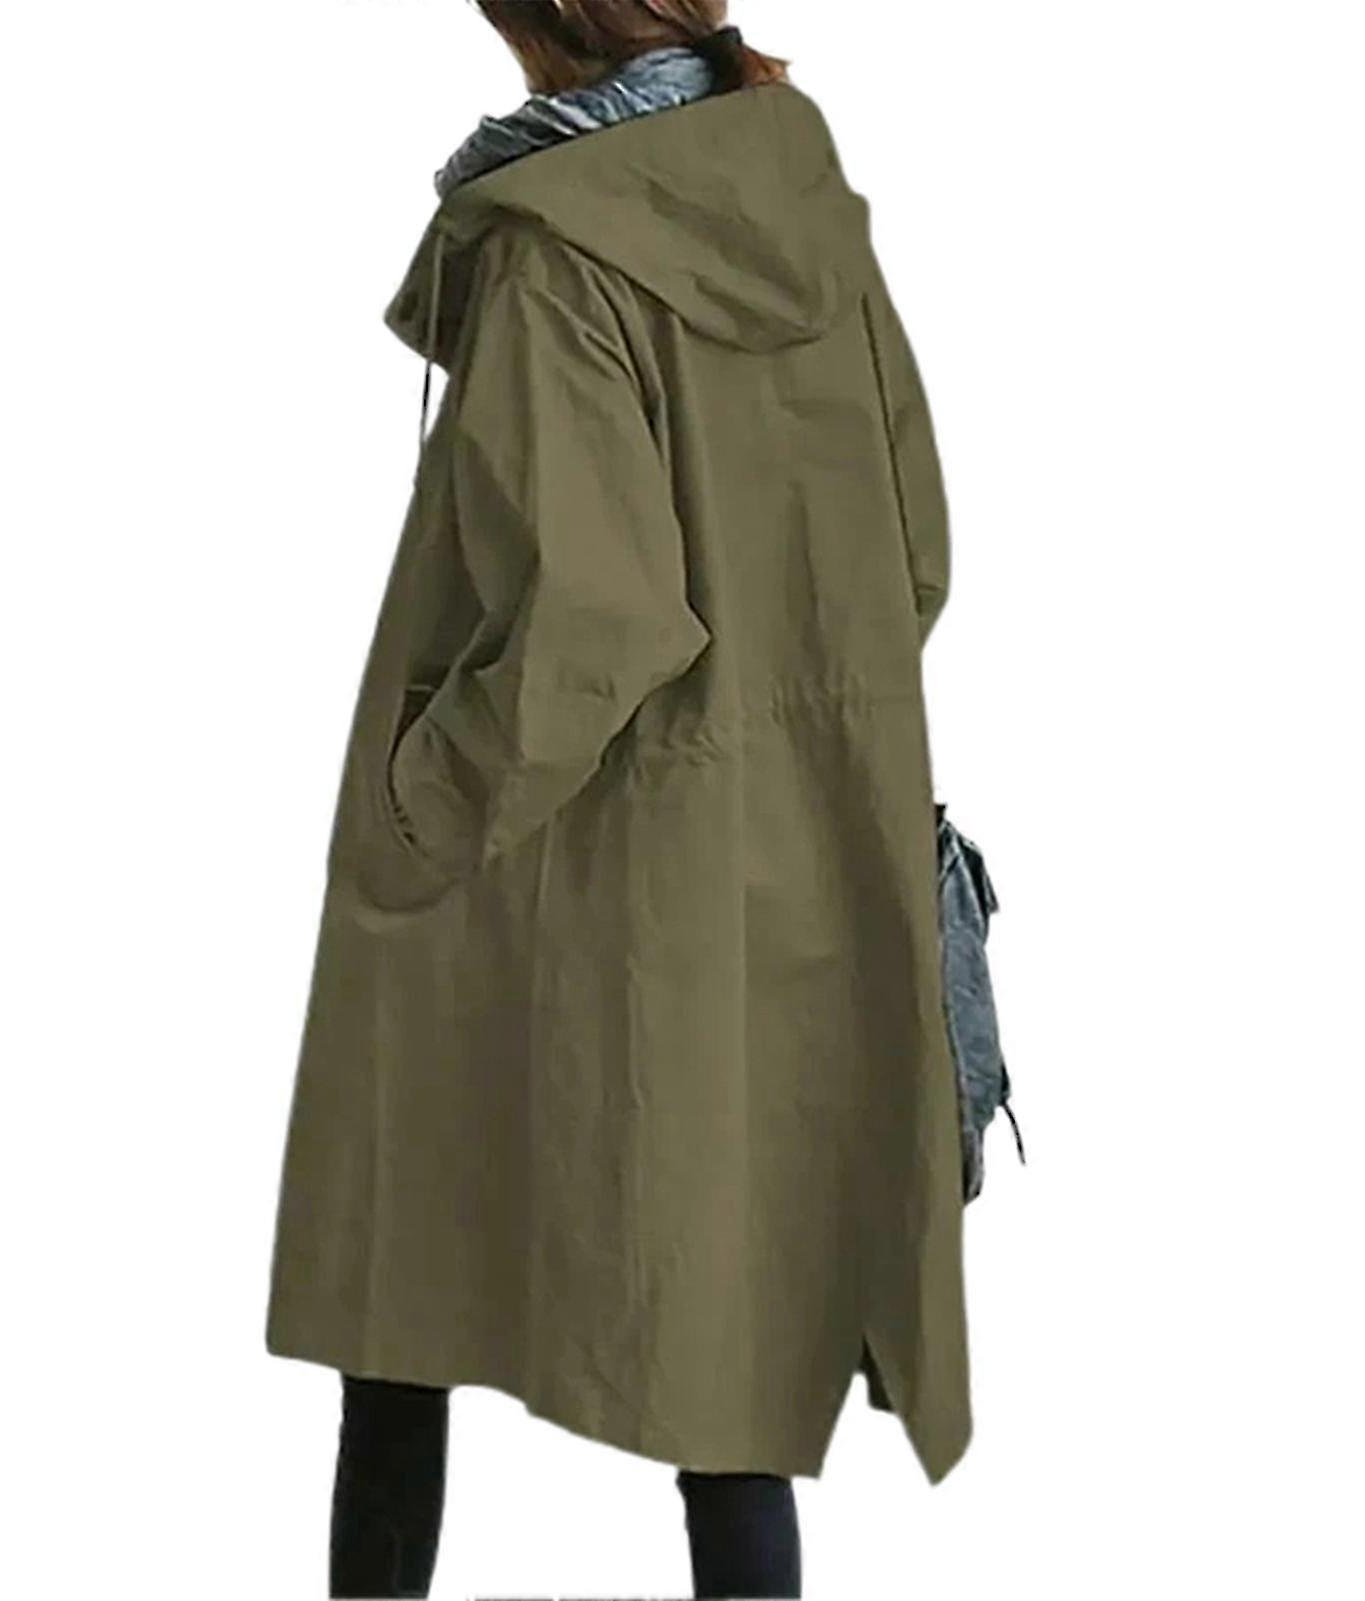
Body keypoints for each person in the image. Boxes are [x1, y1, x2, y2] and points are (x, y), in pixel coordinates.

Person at [265, 3, 970, 1595]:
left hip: (538, 861)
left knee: (400, 1274)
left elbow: (593, 621)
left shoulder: (550, 247)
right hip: (789, 850)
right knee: (732, 1338)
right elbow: (912, 556)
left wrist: (418, 803)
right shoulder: (800, 198)